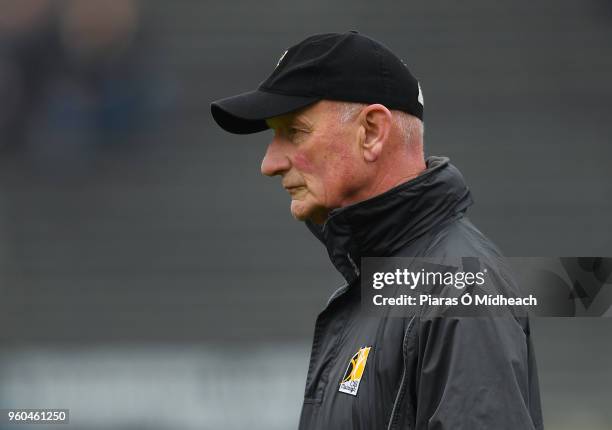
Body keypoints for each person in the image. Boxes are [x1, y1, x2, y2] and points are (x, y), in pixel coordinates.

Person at [211, 31, 543, 430]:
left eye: (294, 131)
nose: (270, 162)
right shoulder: (386, 283)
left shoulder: (459, 287)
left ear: (371, 131)